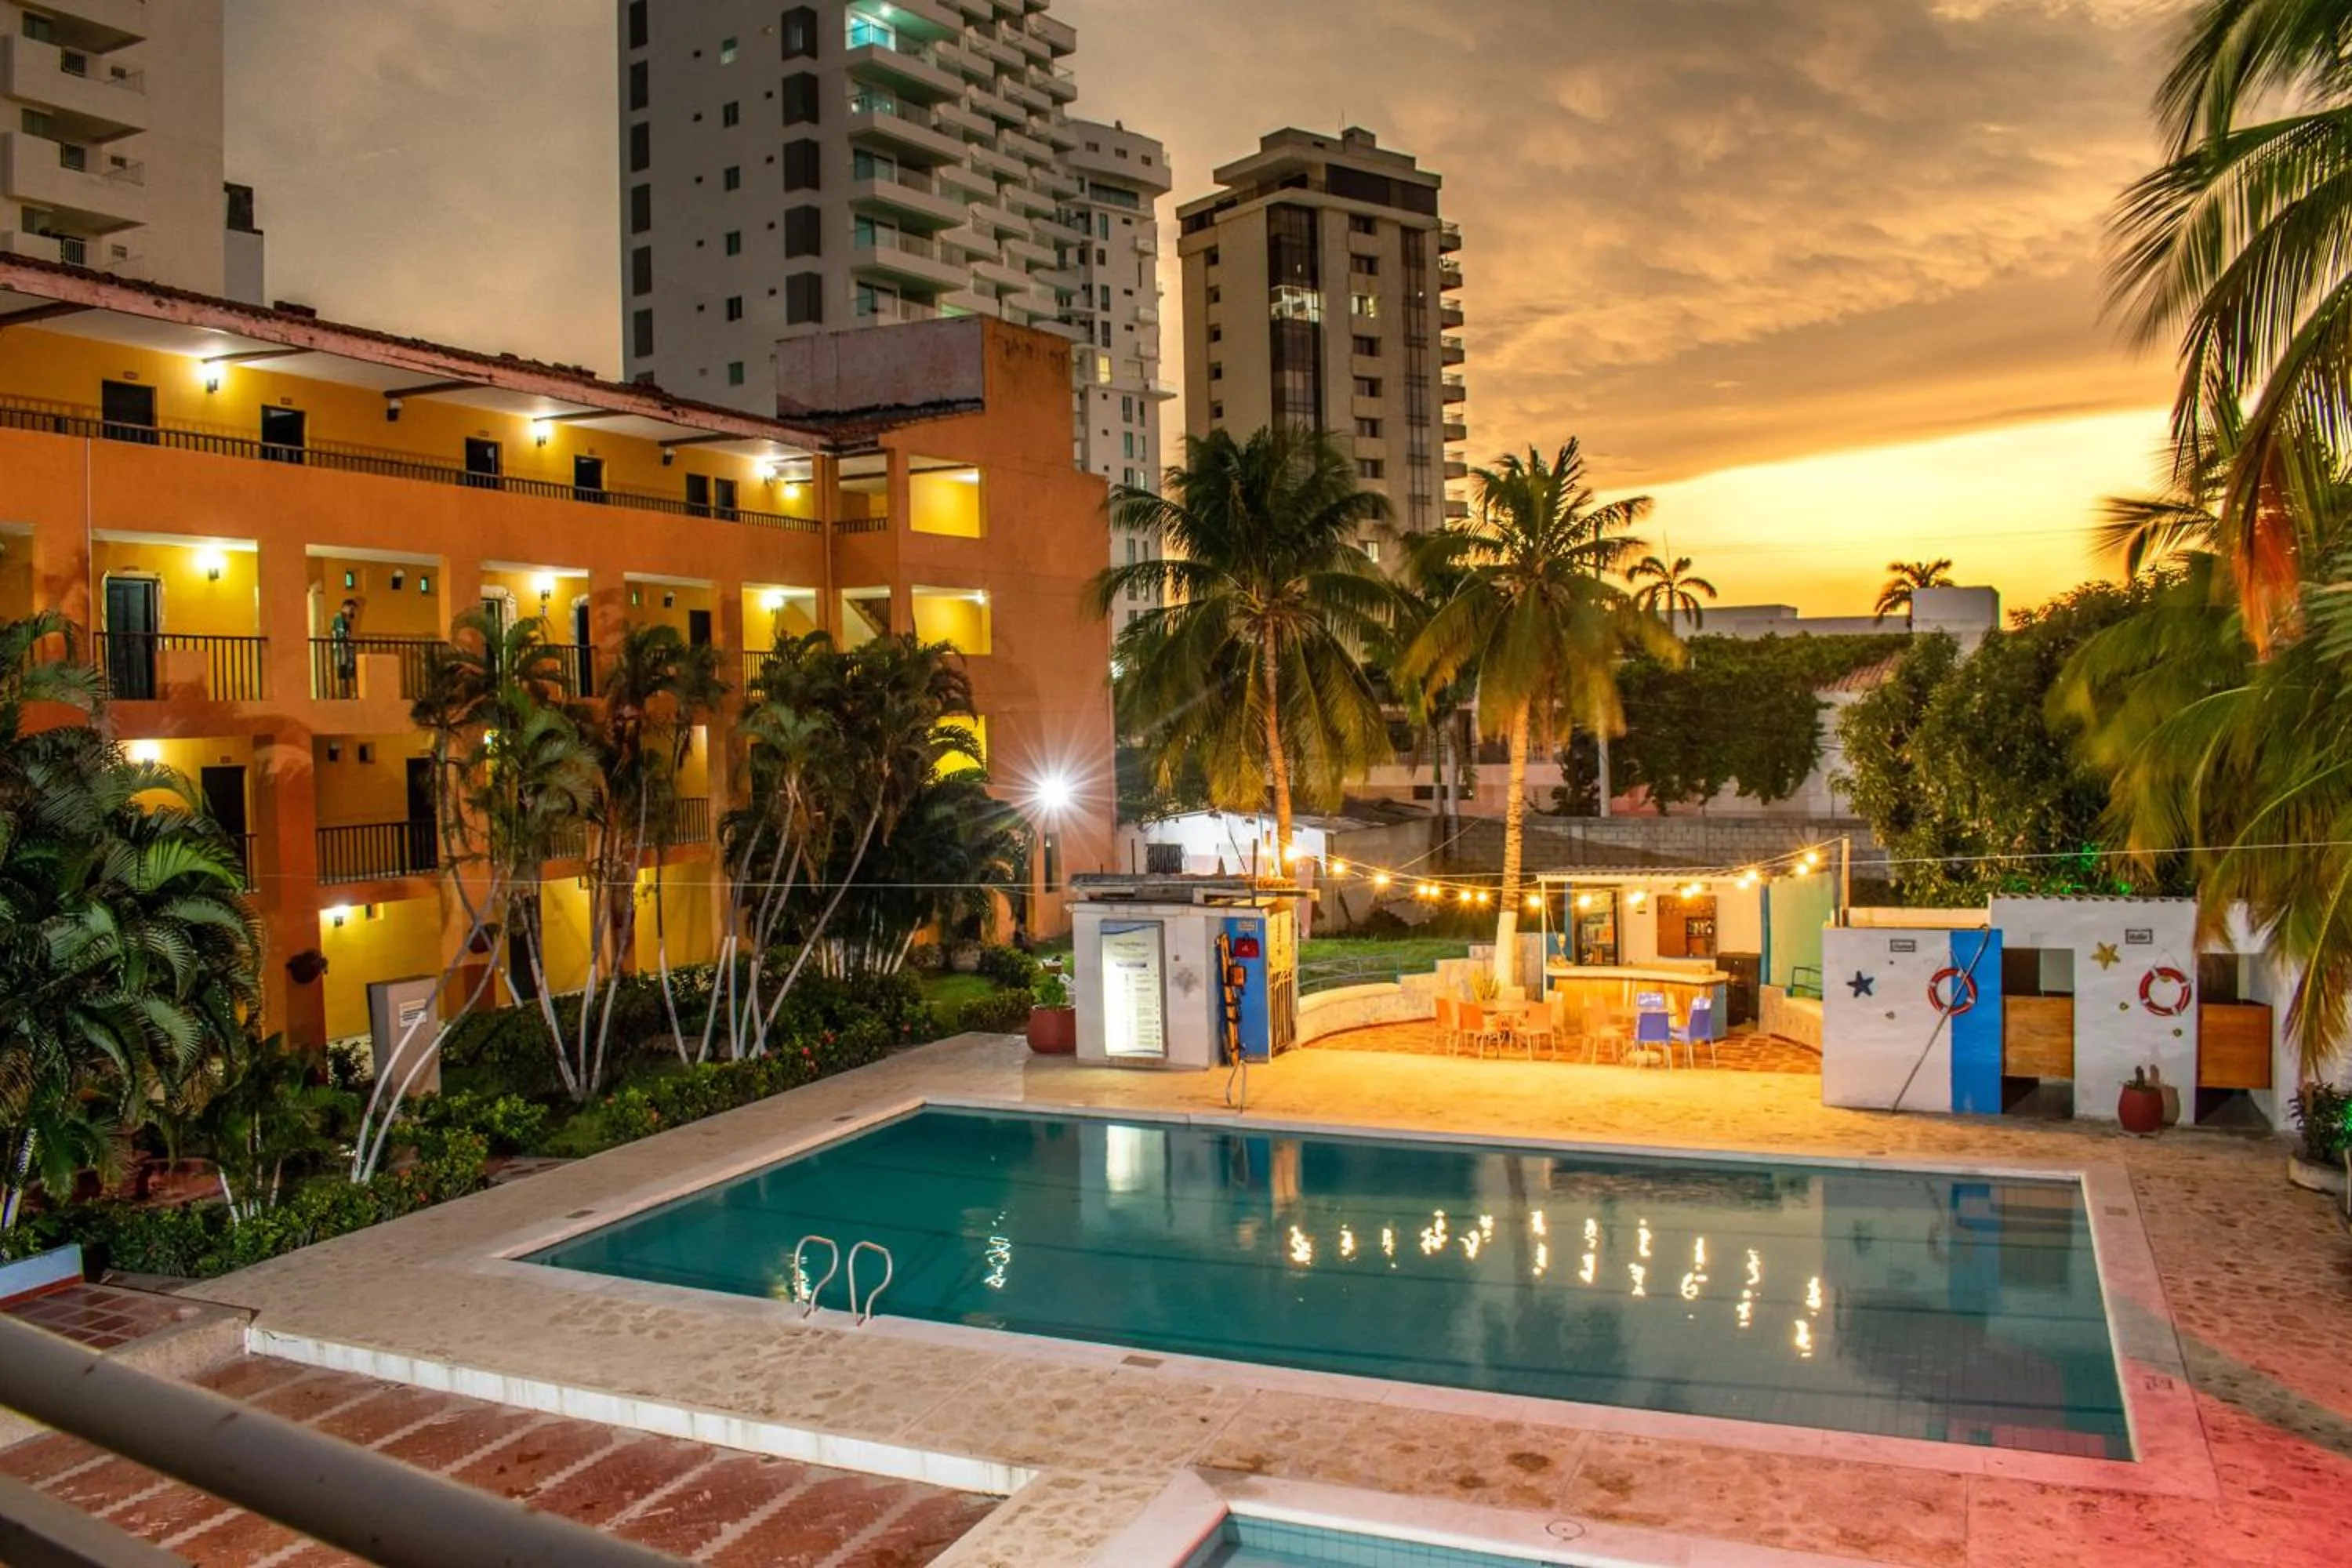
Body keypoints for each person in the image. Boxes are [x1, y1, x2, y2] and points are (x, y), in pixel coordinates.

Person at [328, 598, 358, 695]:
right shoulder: (339, 618)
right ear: (345, 607)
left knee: (347, 671)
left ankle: (347, 693)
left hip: (345, 649)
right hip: (341, 648)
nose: (352, 611)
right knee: (342, 671)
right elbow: (341, 635)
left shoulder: (347, 620)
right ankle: (342, 694)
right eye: (351, 608)